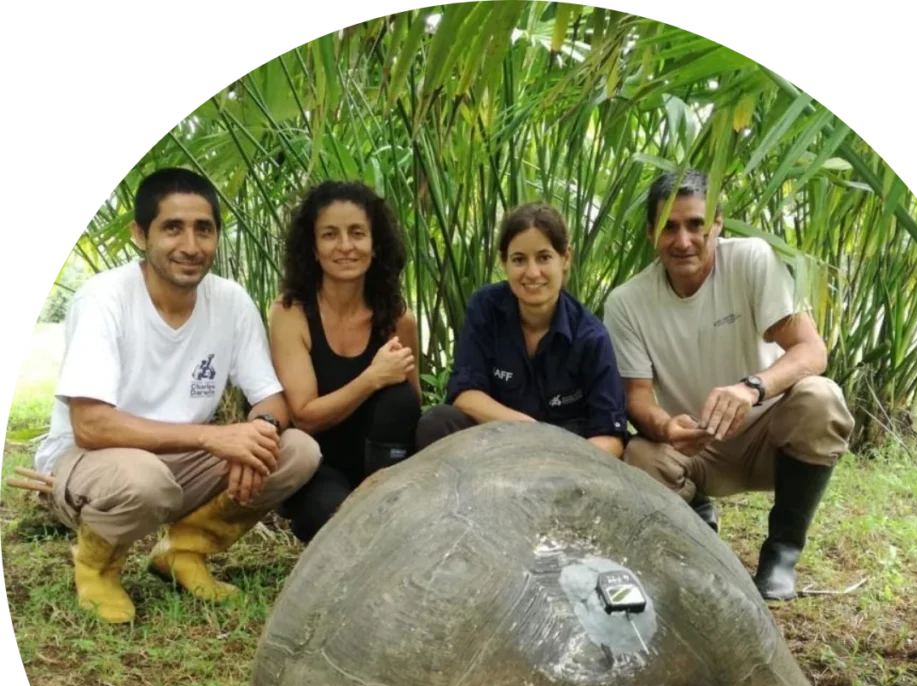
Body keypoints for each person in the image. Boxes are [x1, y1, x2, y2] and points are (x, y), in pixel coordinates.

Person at [28, 168, 322, 625]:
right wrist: (213, 439)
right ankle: (96, 566)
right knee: (146, 479)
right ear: (140, 235)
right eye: (173, 228)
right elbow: (91, 425)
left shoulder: (230, 301)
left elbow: (272, 401)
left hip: (177, 460)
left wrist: (257, 437)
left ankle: (184, 551)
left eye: (203, 229)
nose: (191, 245)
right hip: (92, 460)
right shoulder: (104, 299)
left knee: (296, 451)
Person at [603, 170, 854, 602]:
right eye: (669, 227)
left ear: (717, 223)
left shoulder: (751, 260)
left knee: (821, 398)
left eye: (695, 224)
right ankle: (700, 524)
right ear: (651, 234)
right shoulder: (627, 302)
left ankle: (781, 554)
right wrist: (666, 427)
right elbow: (637, 398)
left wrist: (753, 388)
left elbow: (812, 350)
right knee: (641, 454)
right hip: (697, 448)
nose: (683, 241)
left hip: (769, 437)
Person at [268, 181, 422, 543]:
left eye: (357, 233)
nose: (345, 246)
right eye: (330, 235)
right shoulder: (291, 314)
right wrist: (371, 378)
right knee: (339, 527)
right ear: (314, 247)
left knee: (399, 392)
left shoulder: (399, 319)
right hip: (319, 462)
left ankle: (385, 505)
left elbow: (409, 408)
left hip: (382, 466)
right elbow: (304, 416)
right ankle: (350, 511)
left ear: (375, 245)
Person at [415, 202, 628, 458]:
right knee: (438, 421)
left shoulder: (590, 337)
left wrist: (553, 458)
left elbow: (611, 437)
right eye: (519, 260)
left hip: (564, 459)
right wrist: (531, 432)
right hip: (493, 443)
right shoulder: (485, 308)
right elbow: (464, 394)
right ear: (503, 262)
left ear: (565, 258)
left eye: (544, 257)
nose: (532, 272)